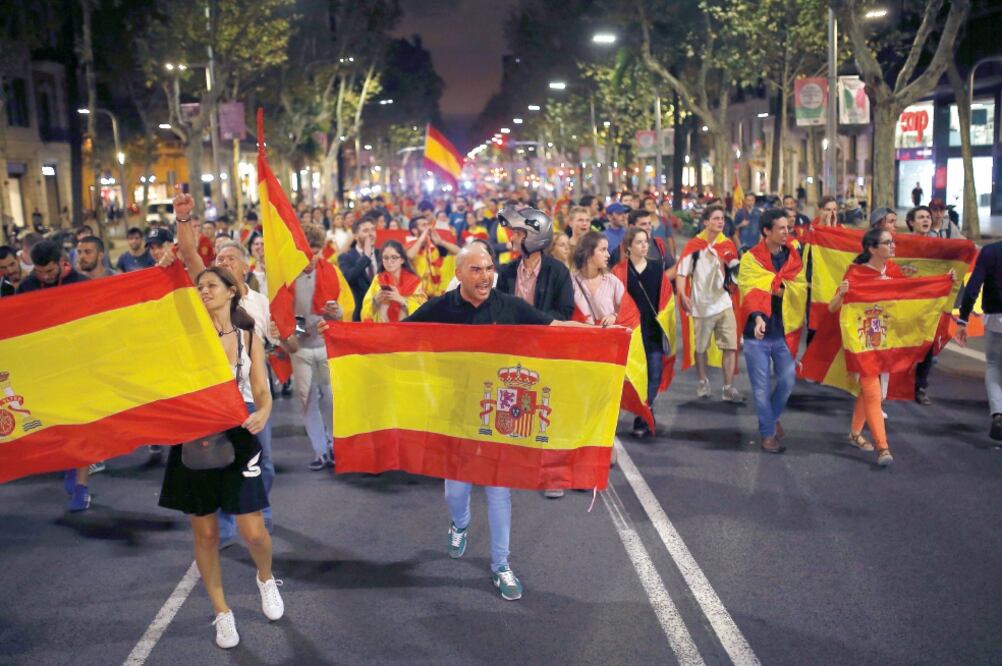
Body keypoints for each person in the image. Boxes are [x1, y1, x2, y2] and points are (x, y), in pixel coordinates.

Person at [404, 243, 592, 601]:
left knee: (498, 490)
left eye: (489, 268)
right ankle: (459, 524)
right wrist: (339, 331)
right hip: (455, 414)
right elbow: (395, 337)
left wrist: (602, 333)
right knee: (455, 492)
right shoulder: (441, 308)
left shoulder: (508, 305)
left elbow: (555, 326)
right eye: (476, 269)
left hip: (500, 411)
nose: (486, 275)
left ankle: (501, 565)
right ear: (458, 274)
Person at [157, 266, 283, 649]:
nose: (203, 290)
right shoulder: (187, 339)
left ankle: (265, 578)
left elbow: (261, 390)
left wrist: (263, 413)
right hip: (195, 436)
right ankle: (222, 612)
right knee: (207, 533)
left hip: (240, 434)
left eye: (210, 285)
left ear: (232, 291)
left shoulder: (248, 337)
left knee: (253, 531)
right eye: (199, 286)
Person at [16, 239, 92, 509]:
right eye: (40, 272)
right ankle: (70, 463)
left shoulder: (81, 282)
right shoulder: (27, 286)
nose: (45, 277)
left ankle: (82, 485)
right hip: (46, 370)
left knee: (82, 425)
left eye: (49, 272)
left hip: (79, 366)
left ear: (62, 263)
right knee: (57, 426)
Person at [827, 228, 905, 466]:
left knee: (871, 391)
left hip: (886, 341)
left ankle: (854, 433)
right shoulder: (855, 273)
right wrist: (842, 294)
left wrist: (945, 283)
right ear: (872, 248)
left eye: (893, 242)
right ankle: (883, 448)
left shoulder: (894, 271)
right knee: (872, 391)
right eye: (887, 242)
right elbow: (832, 307)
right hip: (862, 342)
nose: (893, 246)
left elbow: (910, 300)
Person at [738, 209, 803, 454]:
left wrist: (781, 290)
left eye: (788, 228)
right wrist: (757, 317)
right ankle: (767, 435)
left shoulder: (793, 258)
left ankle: (770, 417)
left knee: (787, 380)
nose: (787, 232)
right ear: (767, 231)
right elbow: (749, 291)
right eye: (782, 228)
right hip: (757, 335)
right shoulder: (750, 259)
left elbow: (800, 288)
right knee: (761, 388)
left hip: (784, 333)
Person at [675, 205, 744, 402]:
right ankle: (703, 380)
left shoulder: (727, 244)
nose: (720, 222)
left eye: (722, 218)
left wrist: (731, 273)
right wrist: (681, 293)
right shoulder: (693, 246)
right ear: (706, 222)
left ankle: (728, 387)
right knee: (701, 348)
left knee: (730, 346)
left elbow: (735, 274)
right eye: (715, 219)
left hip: (723, 303)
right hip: (702, 306)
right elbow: (681, 272)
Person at [296, 224, 347, 470]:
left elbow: (344, 310)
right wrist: (298, 333)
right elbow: (282, 314)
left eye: (315, 252)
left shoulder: (332, 272)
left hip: (326, 344)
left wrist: (337, 312)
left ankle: (335, 446)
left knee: (330, 398)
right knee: (307, 401)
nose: (311, 258)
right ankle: (320, 451)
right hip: (301, 348)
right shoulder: (289, 277)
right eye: (307, 252)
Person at [614, 227, 672, 439]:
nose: (644, 245)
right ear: (629, 247)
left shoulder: (657, 268)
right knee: (636, 375)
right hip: (633, 334)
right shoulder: (620, 272)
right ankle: (643, 415)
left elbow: (666, 297)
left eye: (645, 241)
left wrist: (666, 322)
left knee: (654, 375)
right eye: (638, 242)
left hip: (654, 331)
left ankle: (647, 408)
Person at [955, 239, 1002, 442]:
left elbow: (974, 285)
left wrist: (963, 318)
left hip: (995, 317)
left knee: (993, 366)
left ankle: (998, 414)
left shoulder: (991, 251)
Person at [495, 205, 574, 321]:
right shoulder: (507, 271)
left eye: (518, 233)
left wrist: (534, 320)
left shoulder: (558, 272)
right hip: (513, 337)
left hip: (545, 337)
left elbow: (565, 312)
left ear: (534, 236)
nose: (512, 239)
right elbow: (499, 309)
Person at [360, 239, 427, 322]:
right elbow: (365, 312)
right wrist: (375, 301)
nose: (389, 261)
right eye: (385, 258)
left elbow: (424, 311)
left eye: (394, 257)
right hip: (382, 331)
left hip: (407, 331)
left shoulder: (415, 282)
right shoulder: (377, 280)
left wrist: (402, 300)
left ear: (402, 260)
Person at [338, 214, 378, 321]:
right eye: (365, 231)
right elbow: (349, 278)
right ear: (355, 236)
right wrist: (366, 257)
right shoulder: (345, 257)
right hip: (358, 315)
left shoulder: (383, 254)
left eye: (373, 230)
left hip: (380, 315)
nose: (371, 234)